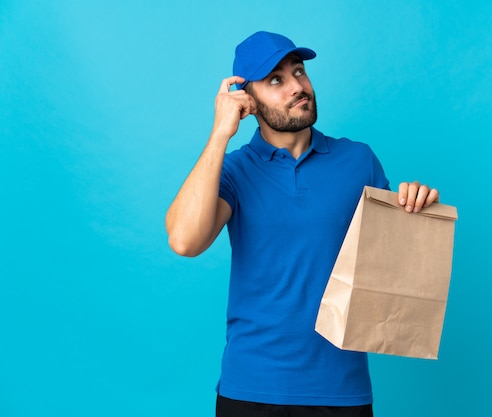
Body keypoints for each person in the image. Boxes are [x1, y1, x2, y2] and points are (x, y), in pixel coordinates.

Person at [165, 31, 440, 417]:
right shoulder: (234, 171)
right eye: (276, 80)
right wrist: (219, 134)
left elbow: (394, 271)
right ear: (248, 100)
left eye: (299, 72)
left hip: (342, 392)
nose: (297, 86)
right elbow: (183, 241)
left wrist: (416, 209)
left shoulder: (359, 161)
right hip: (251, 390)